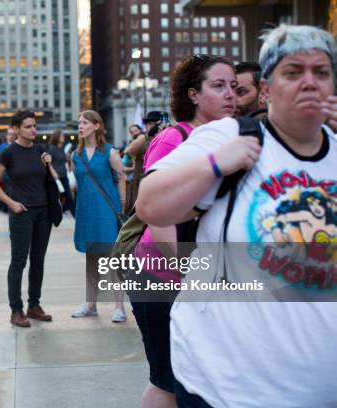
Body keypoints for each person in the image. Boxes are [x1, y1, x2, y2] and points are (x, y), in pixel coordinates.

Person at [136, 25, 337, 407]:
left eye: (322, 72)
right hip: (229, 386)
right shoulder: (227, 136)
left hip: (319, 387)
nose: (309, 82)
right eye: (293, 72)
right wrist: (213, 165)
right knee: (161, 381)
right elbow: (150, 206)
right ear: (266, 89)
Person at [130, 54, 237, 408]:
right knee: (167, 380)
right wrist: (190, 273)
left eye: (234, 87)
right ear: (193, 94)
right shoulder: (174, 138)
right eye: (218, 86)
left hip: (195, 277)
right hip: (161, 277)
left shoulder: (223, 139)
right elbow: (158, 217)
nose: (230, 95)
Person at [0, 109, 54, 328]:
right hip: (21, 213)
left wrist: (48, 163)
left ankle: (34, 305)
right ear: (16, 129)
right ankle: (16, 310)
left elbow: (50, 179)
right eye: (28, 126)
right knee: (19, 261)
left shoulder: (40, 150)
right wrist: (11, 203)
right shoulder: (8, 153)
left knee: (39, 260)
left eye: (34, 126)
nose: (33, 129)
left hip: (43, 212)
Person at [69, 110, 127, 322]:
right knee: (91, 258)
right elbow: (77, 182)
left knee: (114, 259)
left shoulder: (110, 152)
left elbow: (121, 178)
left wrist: (122, 205)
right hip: (86, 211)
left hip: (106, 210)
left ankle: (119, 307)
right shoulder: (76, 155)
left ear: (96, 125)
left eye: (84, 123)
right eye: (79, 123)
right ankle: (91, 304)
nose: (80, 126)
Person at [48, 129, 75, 217]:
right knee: (57, 197)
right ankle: (56, 213)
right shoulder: (52, 148)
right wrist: (54, 173)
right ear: (57, 137)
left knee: (68, 196)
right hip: (56, 178)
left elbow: (67, 163)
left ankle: (69, 213)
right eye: (62, 135)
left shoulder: (62, 148)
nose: (63, 137)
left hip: (64, 176)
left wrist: (69, 159)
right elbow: (49, 163)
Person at [122, 124, 144, 215]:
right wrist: (132, 168)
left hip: (140, 180)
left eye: (136, 130)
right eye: (132, 132)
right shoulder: (130, 145)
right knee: (129, 205)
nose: (134, 133)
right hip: (130, 181)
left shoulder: (144, 141)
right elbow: (122, 166)